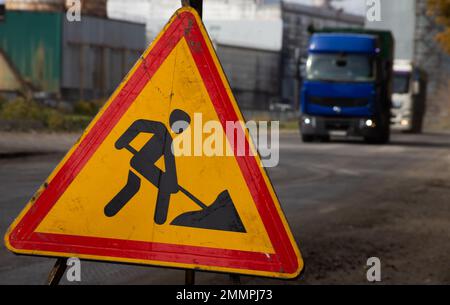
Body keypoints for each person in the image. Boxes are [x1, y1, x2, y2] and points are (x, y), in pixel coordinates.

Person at [104, 109, 191, 225]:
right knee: (164, 184)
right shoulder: (161, 129)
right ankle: (160, 218)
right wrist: (122, 141)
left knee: (133, 186)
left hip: (141, 164)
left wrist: (173, 183)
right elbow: (138, 125)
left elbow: (170, 164)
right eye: (183, 126)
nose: (183, 130)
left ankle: (110, 210)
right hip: (140, 163)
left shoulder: (169, 142)